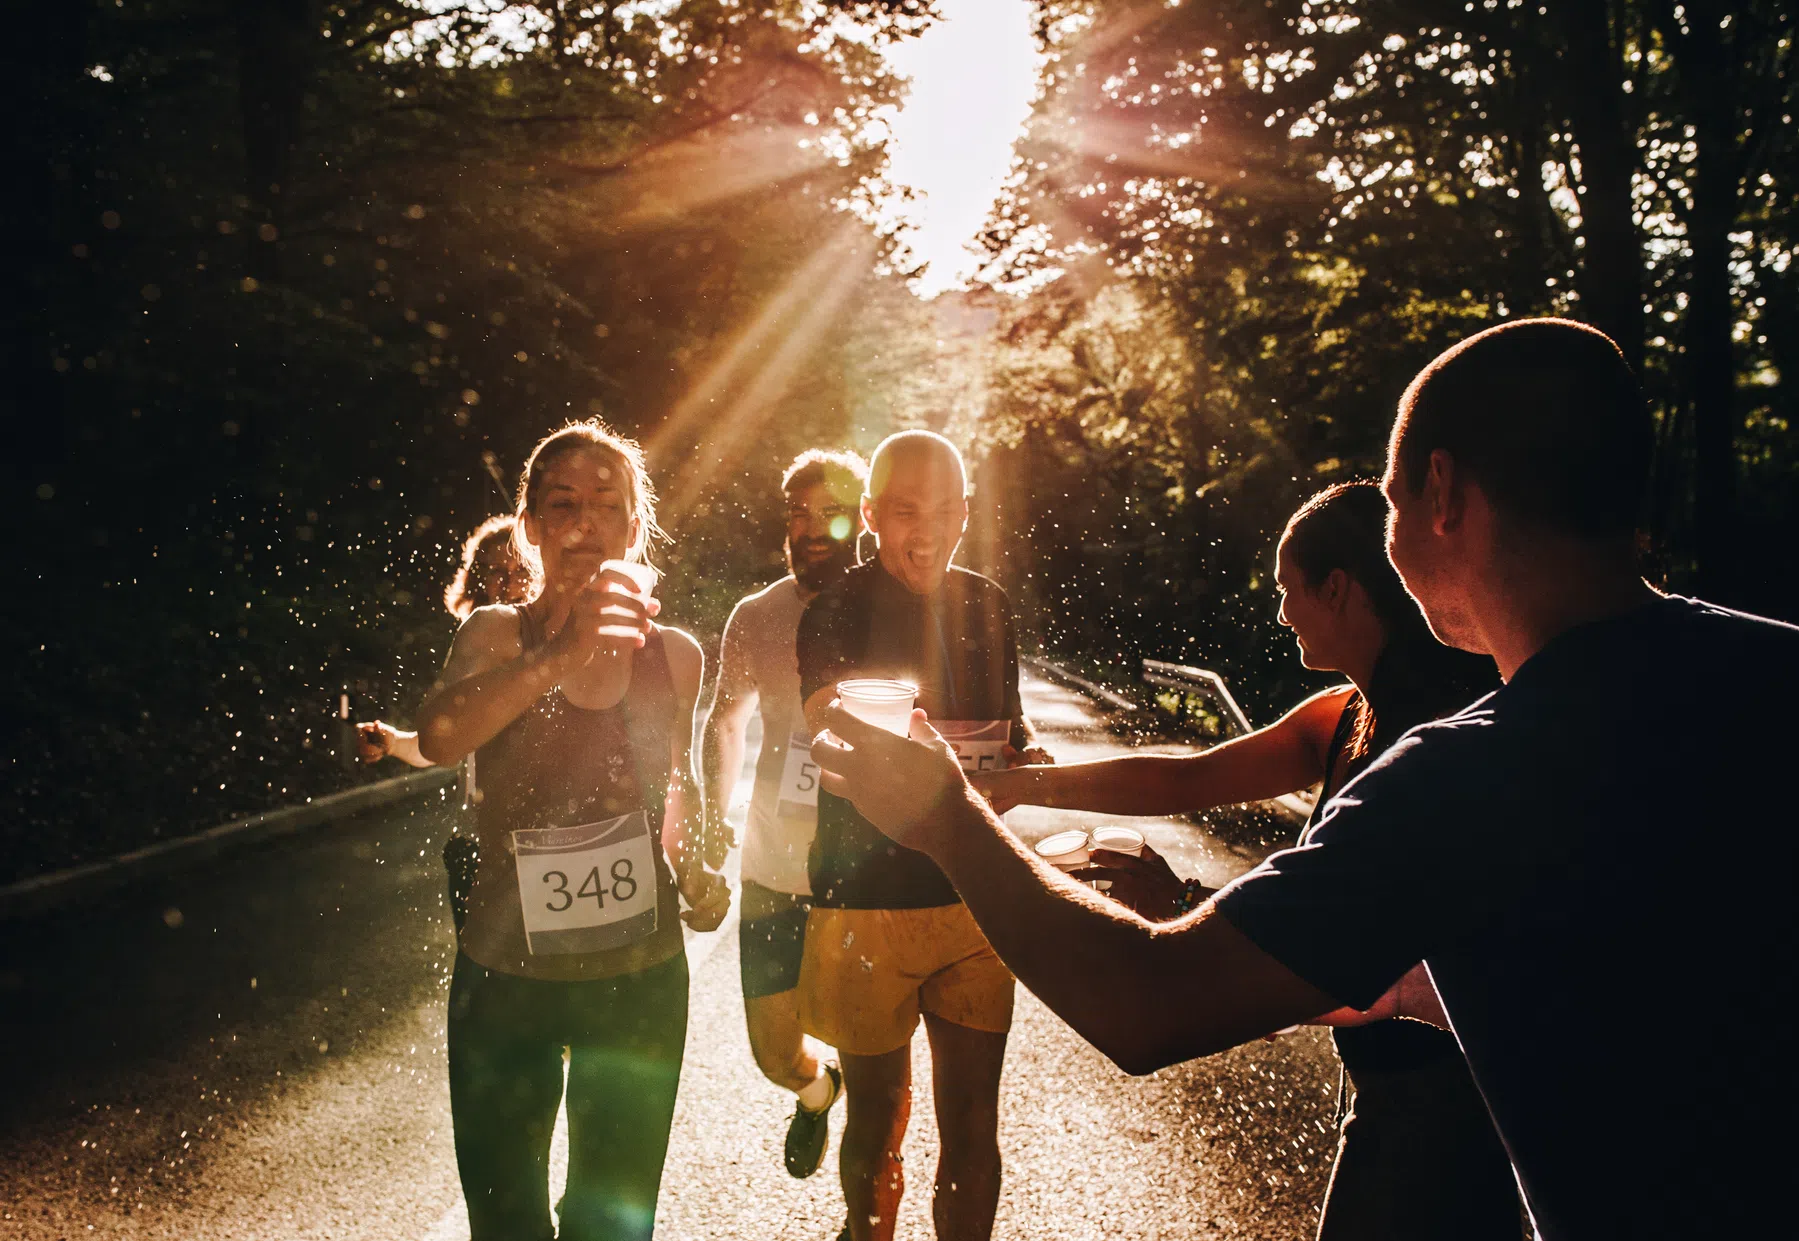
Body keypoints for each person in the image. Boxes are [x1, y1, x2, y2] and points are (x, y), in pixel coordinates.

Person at [809, 318, 1799, 1240]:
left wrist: (948, 816)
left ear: (1443, 495)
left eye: (1392, 492)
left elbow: (1143, 1004)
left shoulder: (1461, 777)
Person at [977, 481, 1521, 1240]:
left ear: (1336, 589)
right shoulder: (1345, 716)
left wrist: (1185, 908)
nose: (1278, 612)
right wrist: (1010, 786)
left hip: (1440, 1106)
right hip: (1400, 1095)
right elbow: (1186, 778)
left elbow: (1382, 975)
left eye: (1286, 590)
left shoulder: (1427, 746)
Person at [416, 419, 731, 1241]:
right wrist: (560, 651)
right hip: (504, 977)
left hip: (638, 979)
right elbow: (443, 734)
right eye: (563, 504)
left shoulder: (676, 654)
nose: (586, 522)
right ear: (530, 527)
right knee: (506, 1219)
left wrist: (698, 864)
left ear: (636, 528)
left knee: (612, 1222)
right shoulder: (494, 634)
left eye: (607, 505)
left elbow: (678, 783)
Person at [796, 429, 1049, 1241]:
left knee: (974, 1122)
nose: (927, 530)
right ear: (869, 515)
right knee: (875, 1119)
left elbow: (1008, 725)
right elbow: (823, 723)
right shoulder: (835, 607)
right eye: (905, 512)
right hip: (864, 900)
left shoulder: (990, 603)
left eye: (946, 510)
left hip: (975, 893)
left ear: (968, 512)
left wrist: (1025, 751)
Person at [700, 449, 867, 1178]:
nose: (809, 527)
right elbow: (724, 722)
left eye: (827, 509)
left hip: (868, 874)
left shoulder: (889, 611)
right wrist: (711, 821)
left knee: (875, 1047)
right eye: (796, 513)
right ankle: (816, 1088)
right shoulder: (758, 615)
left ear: (862, 517)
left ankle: (866, 1207)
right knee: (772, 1052)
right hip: (773, 867)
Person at [358, 514, 530, 930]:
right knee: (482, 983)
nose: (507, 582)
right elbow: (440, 747)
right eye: (494, 572)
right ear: (478, 580)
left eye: (520, 570)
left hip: (542, 846)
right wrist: (394, 741)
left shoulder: (555, 651)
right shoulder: (469, 654)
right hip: (476, 846)